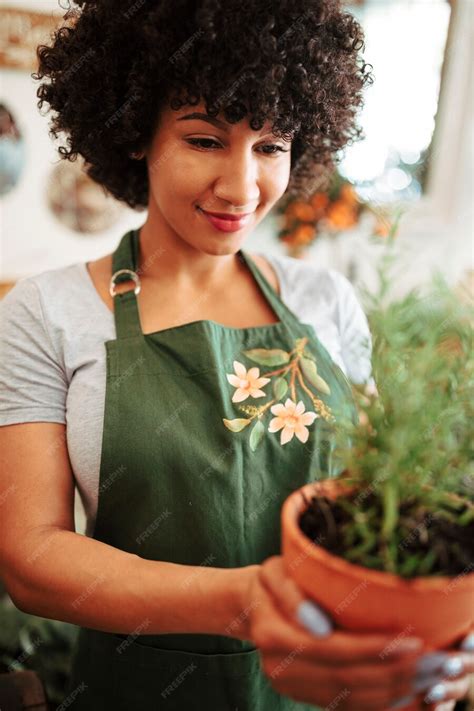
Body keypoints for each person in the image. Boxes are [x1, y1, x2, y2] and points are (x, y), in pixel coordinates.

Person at [0, 0, 472, 709]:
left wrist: (431, 627)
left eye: (270, 146)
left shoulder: (326, 300)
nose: (242, 187)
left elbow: (376, 497)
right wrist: (245, 600)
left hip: (332, 683)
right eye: (204, 140)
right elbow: (31, 558)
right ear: (135, 133)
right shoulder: (45, 311)